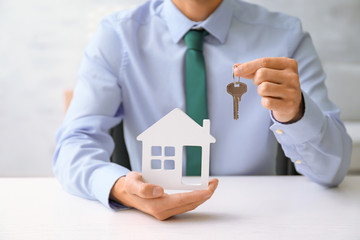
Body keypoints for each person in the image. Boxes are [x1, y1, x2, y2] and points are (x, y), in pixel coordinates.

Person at [53, 0, 352, 220]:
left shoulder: (286, 36)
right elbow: (74, 145)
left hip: (254, 219)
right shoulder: (117, 37)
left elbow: (332, 170)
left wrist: (297, 113)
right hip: (148, 224)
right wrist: (118, 187)